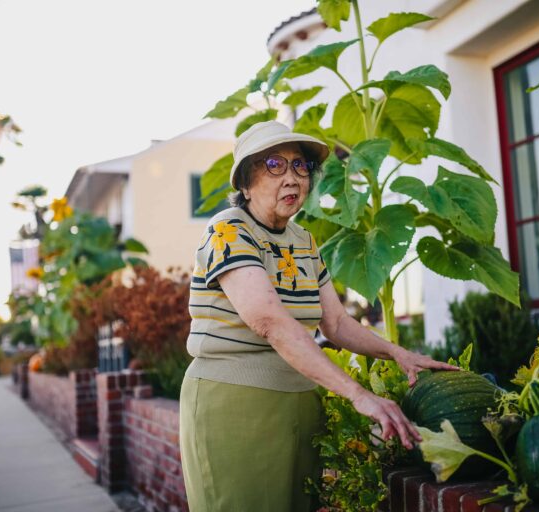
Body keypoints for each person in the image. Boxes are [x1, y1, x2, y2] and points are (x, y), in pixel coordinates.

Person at [179, 121, 458, 511]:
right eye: (274, 164)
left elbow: (337, 324)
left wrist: (399, 354)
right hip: (234, 406)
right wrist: (359, 396)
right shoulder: (228, 229)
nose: (292, 177)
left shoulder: (303, 241)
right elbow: (269, 322)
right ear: (244, 182)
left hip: (300, 403)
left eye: (300, 166)